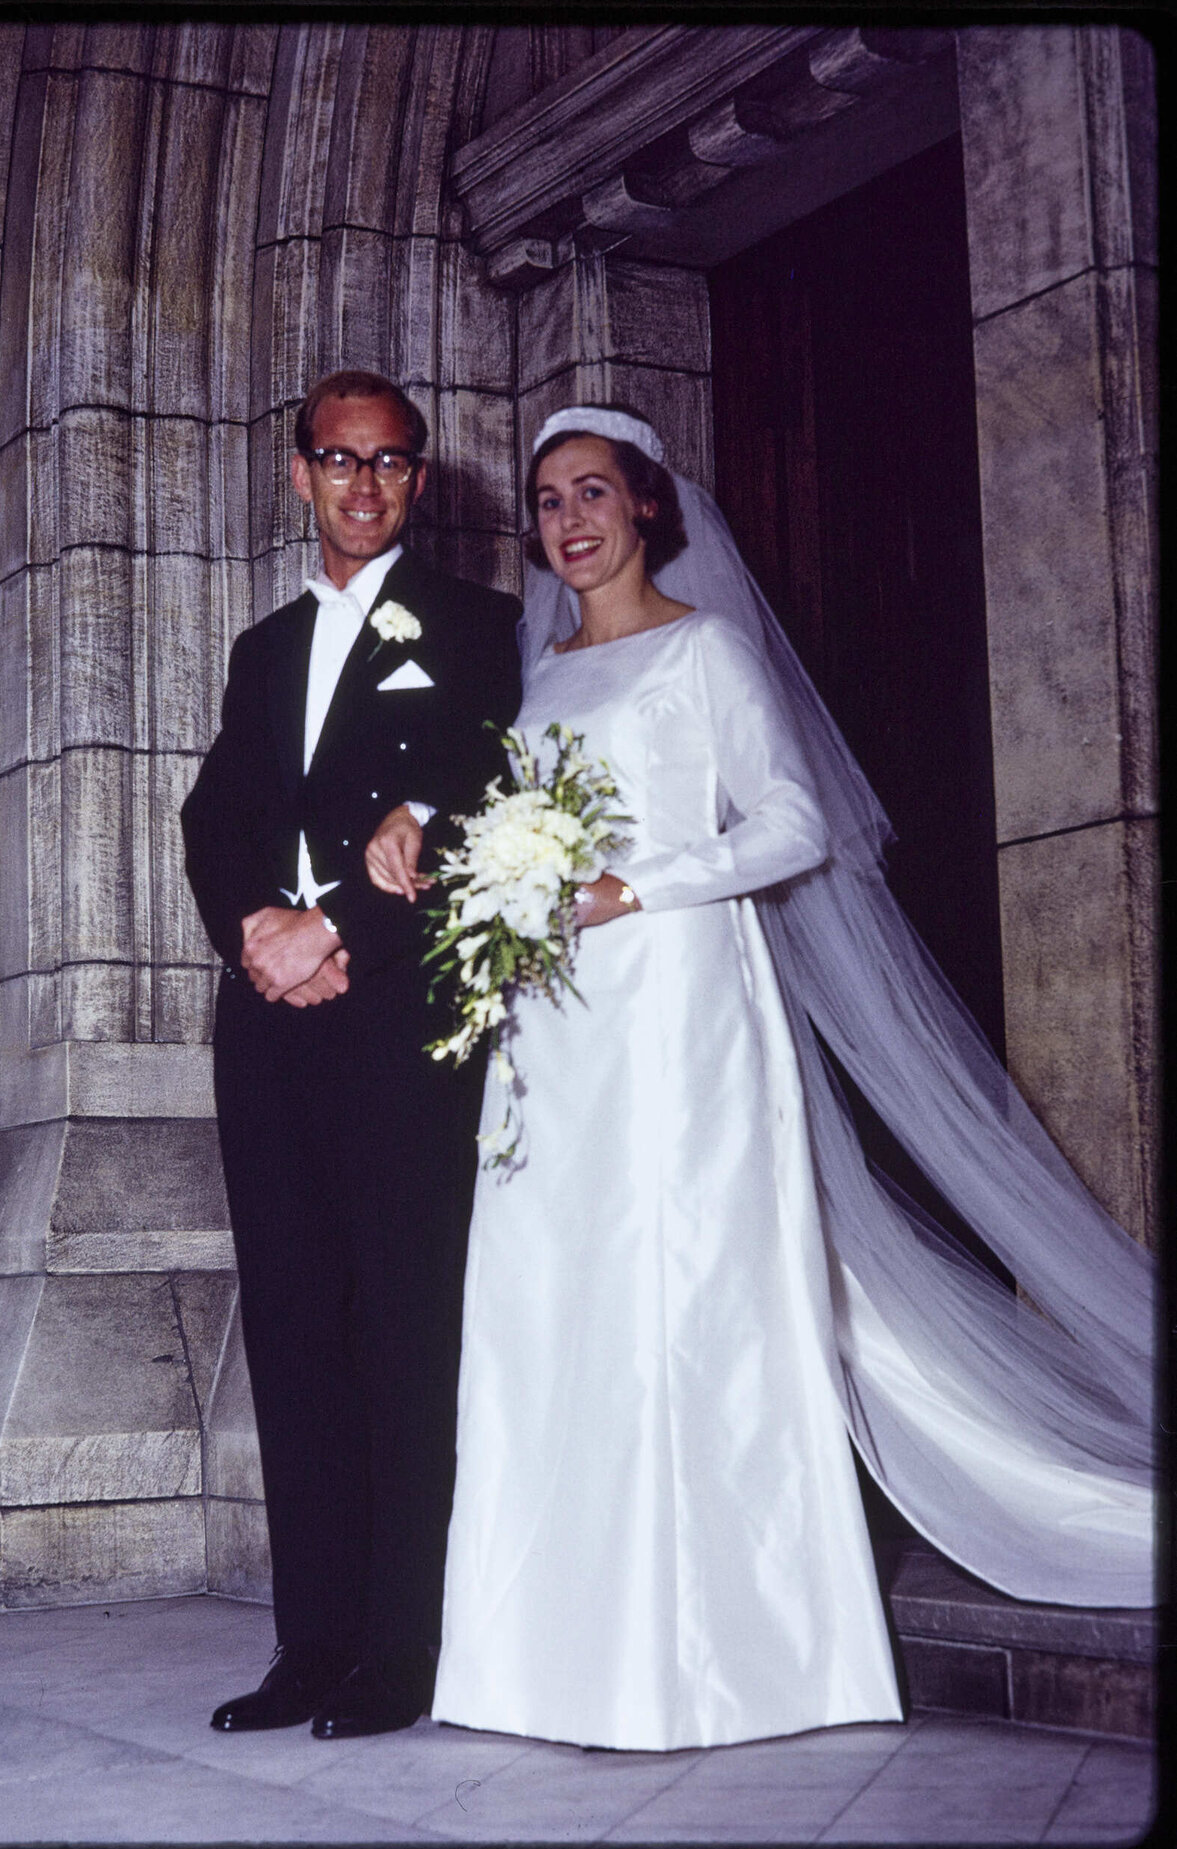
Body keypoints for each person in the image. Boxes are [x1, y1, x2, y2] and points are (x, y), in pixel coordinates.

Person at [368, 406, 1154, 1752]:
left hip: (678, 1003)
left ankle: (719, 1656)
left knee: (684, 1295)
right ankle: (540, 1657)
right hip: (553, 1026)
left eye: (594, 492)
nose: (568, 519)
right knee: (547, 1300)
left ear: (650, 510)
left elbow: (790, 822)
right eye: (548, 501)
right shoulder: (540, 671)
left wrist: (638, 885)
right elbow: (520, 829)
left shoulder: (708, 651)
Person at [181, 369, 521, 1739]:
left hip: (394, 1019)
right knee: (292, 1328)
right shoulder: (263, 647)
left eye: (390, 464)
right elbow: (217, 815)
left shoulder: (483, 624)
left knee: (400, 1326)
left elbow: (493, 789)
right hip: (264, 1024)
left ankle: (403, 1649)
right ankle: (309, 1645)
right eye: (339, 460)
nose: (363, 485)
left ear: (419, 481)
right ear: (298, 471)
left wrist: (338, 945)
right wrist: (254, 927)